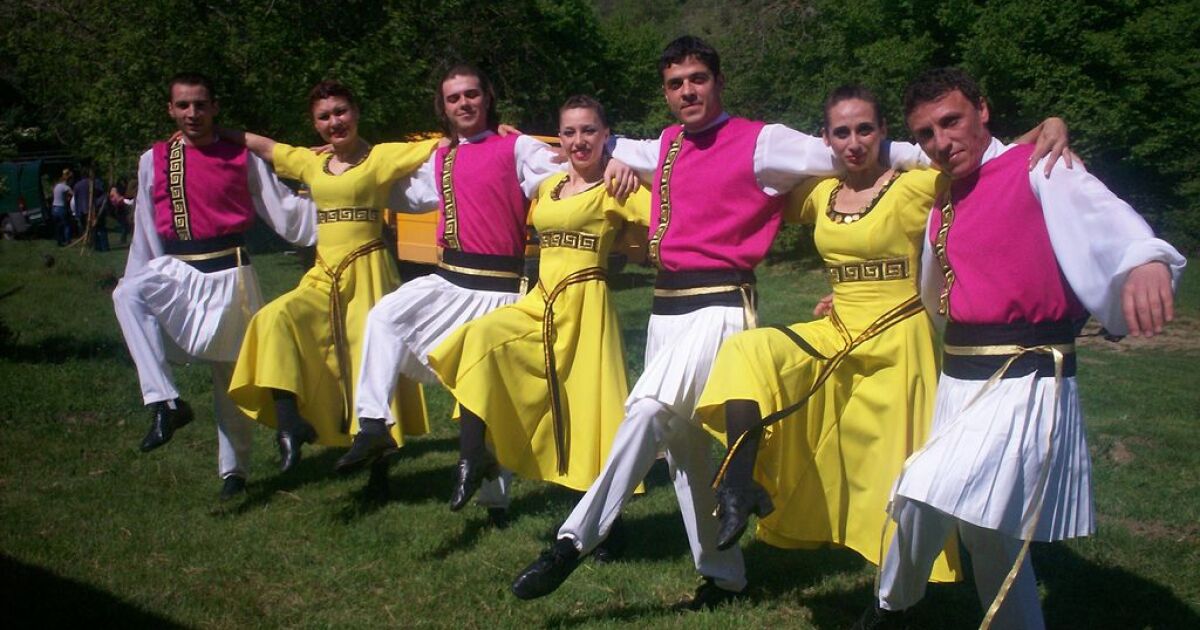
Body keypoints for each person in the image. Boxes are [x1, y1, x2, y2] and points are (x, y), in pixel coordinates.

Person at [511, 37, 1070, 610]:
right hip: (665, 308)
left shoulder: (764, 143)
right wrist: (582, 154)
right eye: (676, 83)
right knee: (682, 450)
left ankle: (574, 540)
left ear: (718, 82)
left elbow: (861, 151)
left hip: (720, 305)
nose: (688, 91)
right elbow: (580, 149)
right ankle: (724, 575)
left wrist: (1028, 136)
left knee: (649, 410)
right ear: (666, 93)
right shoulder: (665, 145)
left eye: (699, 79)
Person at [854, 68, 1185, 630]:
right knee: (988, 533)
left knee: (922, 490)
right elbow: (936, 289)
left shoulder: (1040, 167)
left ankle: (891, 607)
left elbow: (1107, 216)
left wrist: (1146, 259)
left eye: (952, 121)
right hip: (960, 381)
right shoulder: (943, 194)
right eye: (927, 133)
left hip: (1025, 379)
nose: (941, 142)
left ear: (982, 110)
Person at [693, 86, 970, 584]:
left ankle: (896, 598)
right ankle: (737, 483)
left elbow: (989, 165)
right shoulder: (821, 194)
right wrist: (623, 165)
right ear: (826, 138)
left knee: (893, 472)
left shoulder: (915, 186)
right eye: (841, 132)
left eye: (865, 130)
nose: (854, 142)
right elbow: (739, 188)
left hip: (897, 340)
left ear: (883, 132)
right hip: (838, 332)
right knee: (748, 351)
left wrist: (1050, 128)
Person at [341, 65, 635, 524]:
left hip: (499, 285)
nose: (464, 103)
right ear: (443, 107)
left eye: (471, 94)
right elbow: (395, 189)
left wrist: (614, 156)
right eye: (454, 97)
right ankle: (374, 423)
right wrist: (345, 159)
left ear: (487, 98)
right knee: (385, 317)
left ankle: (495, 502)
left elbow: (572, 164)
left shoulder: (515, 147)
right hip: (450, 279)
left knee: (493, 397)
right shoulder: (441, 158)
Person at [427, 95, 649, 512]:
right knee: (478, 339)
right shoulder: (549, 185)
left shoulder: (618, 187)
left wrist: (624, 164)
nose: (579, 141)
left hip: (586, 309)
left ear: (605, 134)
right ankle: (473, 456)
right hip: (540, 299)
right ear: (559, 139)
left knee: (588, 408)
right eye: (569, 132)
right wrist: (500, 131)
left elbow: (668, 216)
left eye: (589, 131)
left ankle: (607, 522)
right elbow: (512, 156)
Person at [112, 72, 316, 500]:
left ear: (214, 108)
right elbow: (145, 226)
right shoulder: (154, 159)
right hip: (178, 272)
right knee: (128, 293)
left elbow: (284, 211)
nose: (192, 113)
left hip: (231, 275)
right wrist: (144, 272)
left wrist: (333, 190)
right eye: (183, 105)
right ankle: (165, 403)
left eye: (200, 105)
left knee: (232, 376)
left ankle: (234, 472)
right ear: (171, 110)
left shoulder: (240, 157)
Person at [226, 81, 439, 473]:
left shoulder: (381, 157)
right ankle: (290, 424)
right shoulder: (312, 163)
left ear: (355, 112)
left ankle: (379, 469)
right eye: (324, 117)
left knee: (369, 362)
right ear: (315, 124)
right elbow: (266, 147)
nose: (334, 122)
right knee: (275, 318)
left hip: (369, 271)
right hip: (324, 273)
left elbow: (441, 146)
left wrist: (497, 131)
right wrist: (214, 131)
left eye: (341, 111)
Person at [51, 169, 73, 246]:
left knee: (58, 226)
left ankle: (59, 241)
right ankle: (67, 241)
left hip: (54, 208)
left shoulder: (56, 186)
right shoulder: (66, 187)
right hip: (61, 208)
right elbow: (74, 195)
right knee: (66, 225)